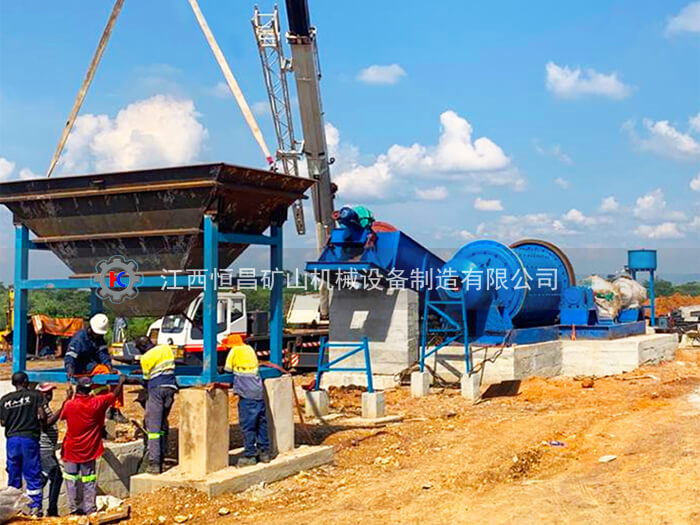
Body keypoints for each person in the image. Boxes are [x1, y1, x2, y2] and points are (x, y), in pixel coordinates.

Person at [60, 374, 126, 515]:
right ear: (90, 390)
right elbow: (113, 395)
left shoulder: (70, 405)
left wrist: (68, 397)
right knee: (89, 481)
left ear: (77, 389)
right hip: (89, 450)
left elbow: (62, 415)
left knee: (71, 481)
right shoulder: (97, 403)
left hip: (71, 450)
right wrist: (120, 382)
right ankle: (90, 509)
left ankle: (73, 510)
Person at [65, 313, 127, 422]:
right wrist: (70, 368)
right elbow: (71, 355)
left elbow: (103, 354)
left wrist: (109, 366)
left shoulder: (99, 338)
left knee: (115, 376)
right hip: (82, 367)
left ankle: (114, 409)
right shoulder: (79, 338)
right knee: (102, 376)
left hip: (93, 365)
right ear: (90, 328)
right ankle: (102, 410)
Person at [0, 372, 46, 516]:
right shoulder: (35, 395)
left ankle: (14, 508)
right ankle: (35, 507)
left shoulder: (4, 400)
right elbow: (42, 415)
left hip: (12, 441)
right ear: (26, 381)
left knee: (13, 473)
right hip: (29, 438)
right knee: (32, 473)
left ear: (13, 383)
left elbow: (3, 422)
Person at [223, 334, 271, 467]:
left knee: (248, 426)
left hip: (247, 395)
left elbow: (227, 370)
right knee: (261, 423)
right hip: (258, 392)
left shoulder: (235, 351)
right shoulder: (249, 349)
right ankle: (264, 453)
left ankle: (250, 455)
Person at [133, 336, 177, 474]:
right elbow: (162, 369)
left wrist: (134, 378)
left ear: (142, 347)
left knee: (153, 429)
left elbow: (146, 381)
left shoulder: (145, 358)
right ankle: (162, 454)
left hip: (156, 390)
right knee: (162, 423)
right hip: (170, 388)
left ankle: (154, 463)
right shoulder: (165, 349)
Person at [37, 383, 69, 517]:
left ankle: (38, 507)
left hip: (49, 448)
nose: (49, 395)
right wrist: (63, 406)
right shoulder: (39, 408)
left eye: (50, 392)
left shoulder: (45, 407)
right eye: (46, 392)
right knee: (56, 476)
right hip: (44, 449)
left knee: (45, 478)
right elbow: (46, 424)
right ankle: (51, 510)